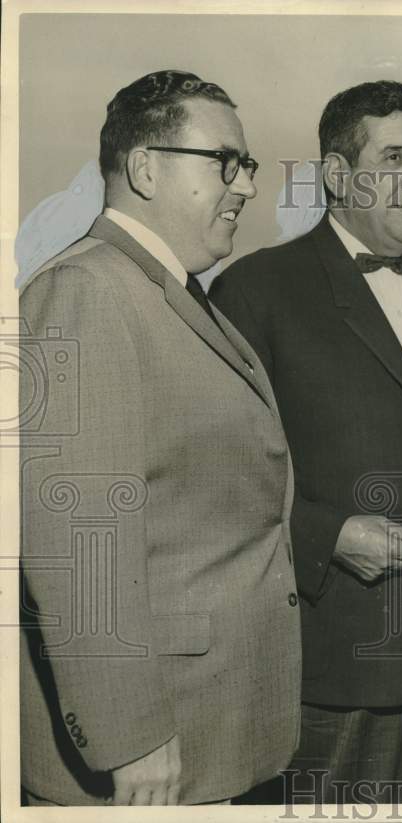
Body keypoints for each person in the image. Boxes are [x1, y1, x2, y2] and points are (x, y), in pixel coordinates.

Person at [210, 80, 402, 803]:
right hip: (334, 656)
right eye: (395, 158)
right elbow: (220, 481)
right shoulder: (254, 290)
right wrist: (326, 534)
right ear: (339, 175)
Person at [19, 70, 301, 806]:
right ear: (146, 167)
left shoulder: (165, 291)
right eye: (225, 162)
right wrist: (130, 734)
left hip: (211, 720)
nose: (244, 186)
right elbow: (80, 535)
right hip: (155, 745)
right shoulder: (85, 290)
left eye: (248, 166)